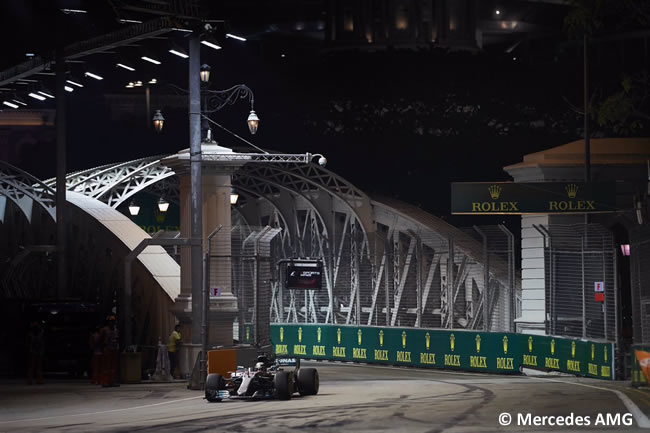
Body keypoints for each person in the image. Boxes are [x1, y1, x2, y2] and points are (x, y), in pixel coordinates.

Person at [100, 315, 119, 387]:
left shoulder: (116, 330)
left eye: (113, 321)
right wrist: (103, 348)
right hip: (107, 350)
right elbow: (100, 340)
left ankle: (112, 381)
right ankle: (105, 382)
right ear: (108, 322)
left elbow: (117, 339)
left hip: (114, 350)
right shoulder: (104, 330)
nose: (112, 323)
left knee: (113, 367)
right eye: (111, 321)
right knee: (106, 367)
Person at [26, 321, 45, 385]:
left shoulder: (40, 330)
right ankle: (31, 380)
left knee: (38, 366)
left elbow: (41, 340)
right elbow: (31, 340)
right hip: (33, 349)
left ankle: (38, 380)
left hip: (38, 349)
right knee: (32, 365)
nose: (35, 323)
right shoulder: (31, 330)